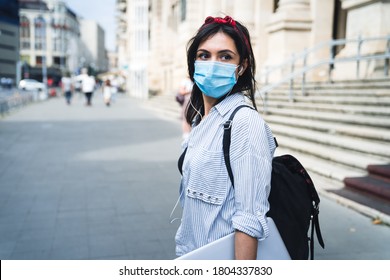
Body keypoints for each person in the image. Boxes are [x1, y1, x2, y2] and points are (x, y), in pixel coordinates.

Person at [174, 16, 277, 260]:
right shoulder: (201, 121)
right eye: (204, 55)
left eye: (225, 56)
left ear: (242, 66)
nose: (212, 64)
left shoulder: (245, 123)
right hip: (191, 255)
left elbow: (249, 219)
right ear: (193, 62)